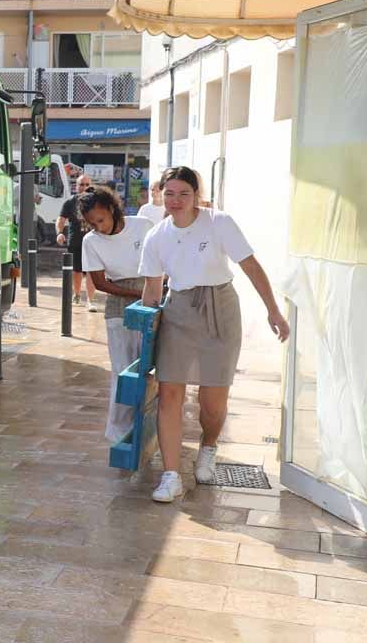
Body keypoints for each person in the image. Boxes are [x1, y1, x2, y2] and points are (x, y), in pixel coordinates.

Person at [140, 166, 289, 502]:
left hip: (220, 309)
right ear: (161, 195)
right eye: (170, 193)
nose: (176, 201)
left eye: (184, 194)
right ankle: (171, 475)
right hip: (177, 310)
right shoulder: (156, 236)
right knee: (170, 395)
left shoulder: (219, 222)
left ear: (197, 196)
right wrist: (143, 332)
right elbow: (151, 290)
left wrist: (273, 310)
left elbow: (250, 265)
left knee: (212, 400)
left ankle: (208, 446)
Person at [79, 187, 153, 442]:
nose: (98, 227)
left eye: (101, 220)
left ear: (112, 209)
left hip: (153, 294)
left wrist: (153, 291)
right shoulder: (91, 241)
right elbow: (99, 283)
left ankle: (149, 427)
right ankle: (120, 432)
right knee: (123, 370)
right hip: (119, 302)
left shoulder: (143, 226)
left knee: (153, 368)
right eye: (92, 223)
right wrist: (136, 295)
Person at [57, 174, 97, 311]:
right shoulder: (70, 202)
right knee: (77, 271)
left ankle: (90, 301)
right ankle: (77, 294)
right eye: (81, 184)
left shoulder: (96, 202)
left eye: (87, 184)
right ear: (76, 186)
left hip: (93, 242)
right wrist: (60, 233)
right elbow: (61, 220)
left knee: (92, 271)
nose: (84, 187)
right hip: (76, 241)